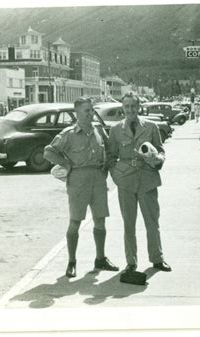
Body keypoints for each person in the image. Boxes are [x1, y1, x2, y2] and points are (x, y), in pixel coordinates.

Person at [43, 97, 119, 278]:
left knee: (100, 220)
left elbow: (109, 150)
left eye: (92, 110)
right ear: (77, 113)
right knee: (75, 222)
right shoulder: (69, 134)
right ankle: (72, 262)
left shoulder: (99, 130)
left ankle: (100, 258)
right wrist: (66, 165)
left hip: (98, 179)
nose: (91, 113)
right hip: (78, 180)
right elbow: (48, 152)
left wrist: (107, 167)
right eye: (87, 110)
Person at [107, 92, 172, 273]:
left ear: (138, 107)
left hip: (147, 178)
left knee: (152, 221)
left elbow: (161, 151)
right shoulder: (115, 130)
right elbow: (111, 157)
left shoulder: (151, 127)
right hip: (126, 181)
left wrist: (157, 159)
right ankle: (131, 262)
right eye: (127, 107)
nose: (130, 110)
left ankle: (157, 259)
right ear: (123, 108)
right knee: (129, 223)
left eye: (133, 106)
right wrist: (116, 176)